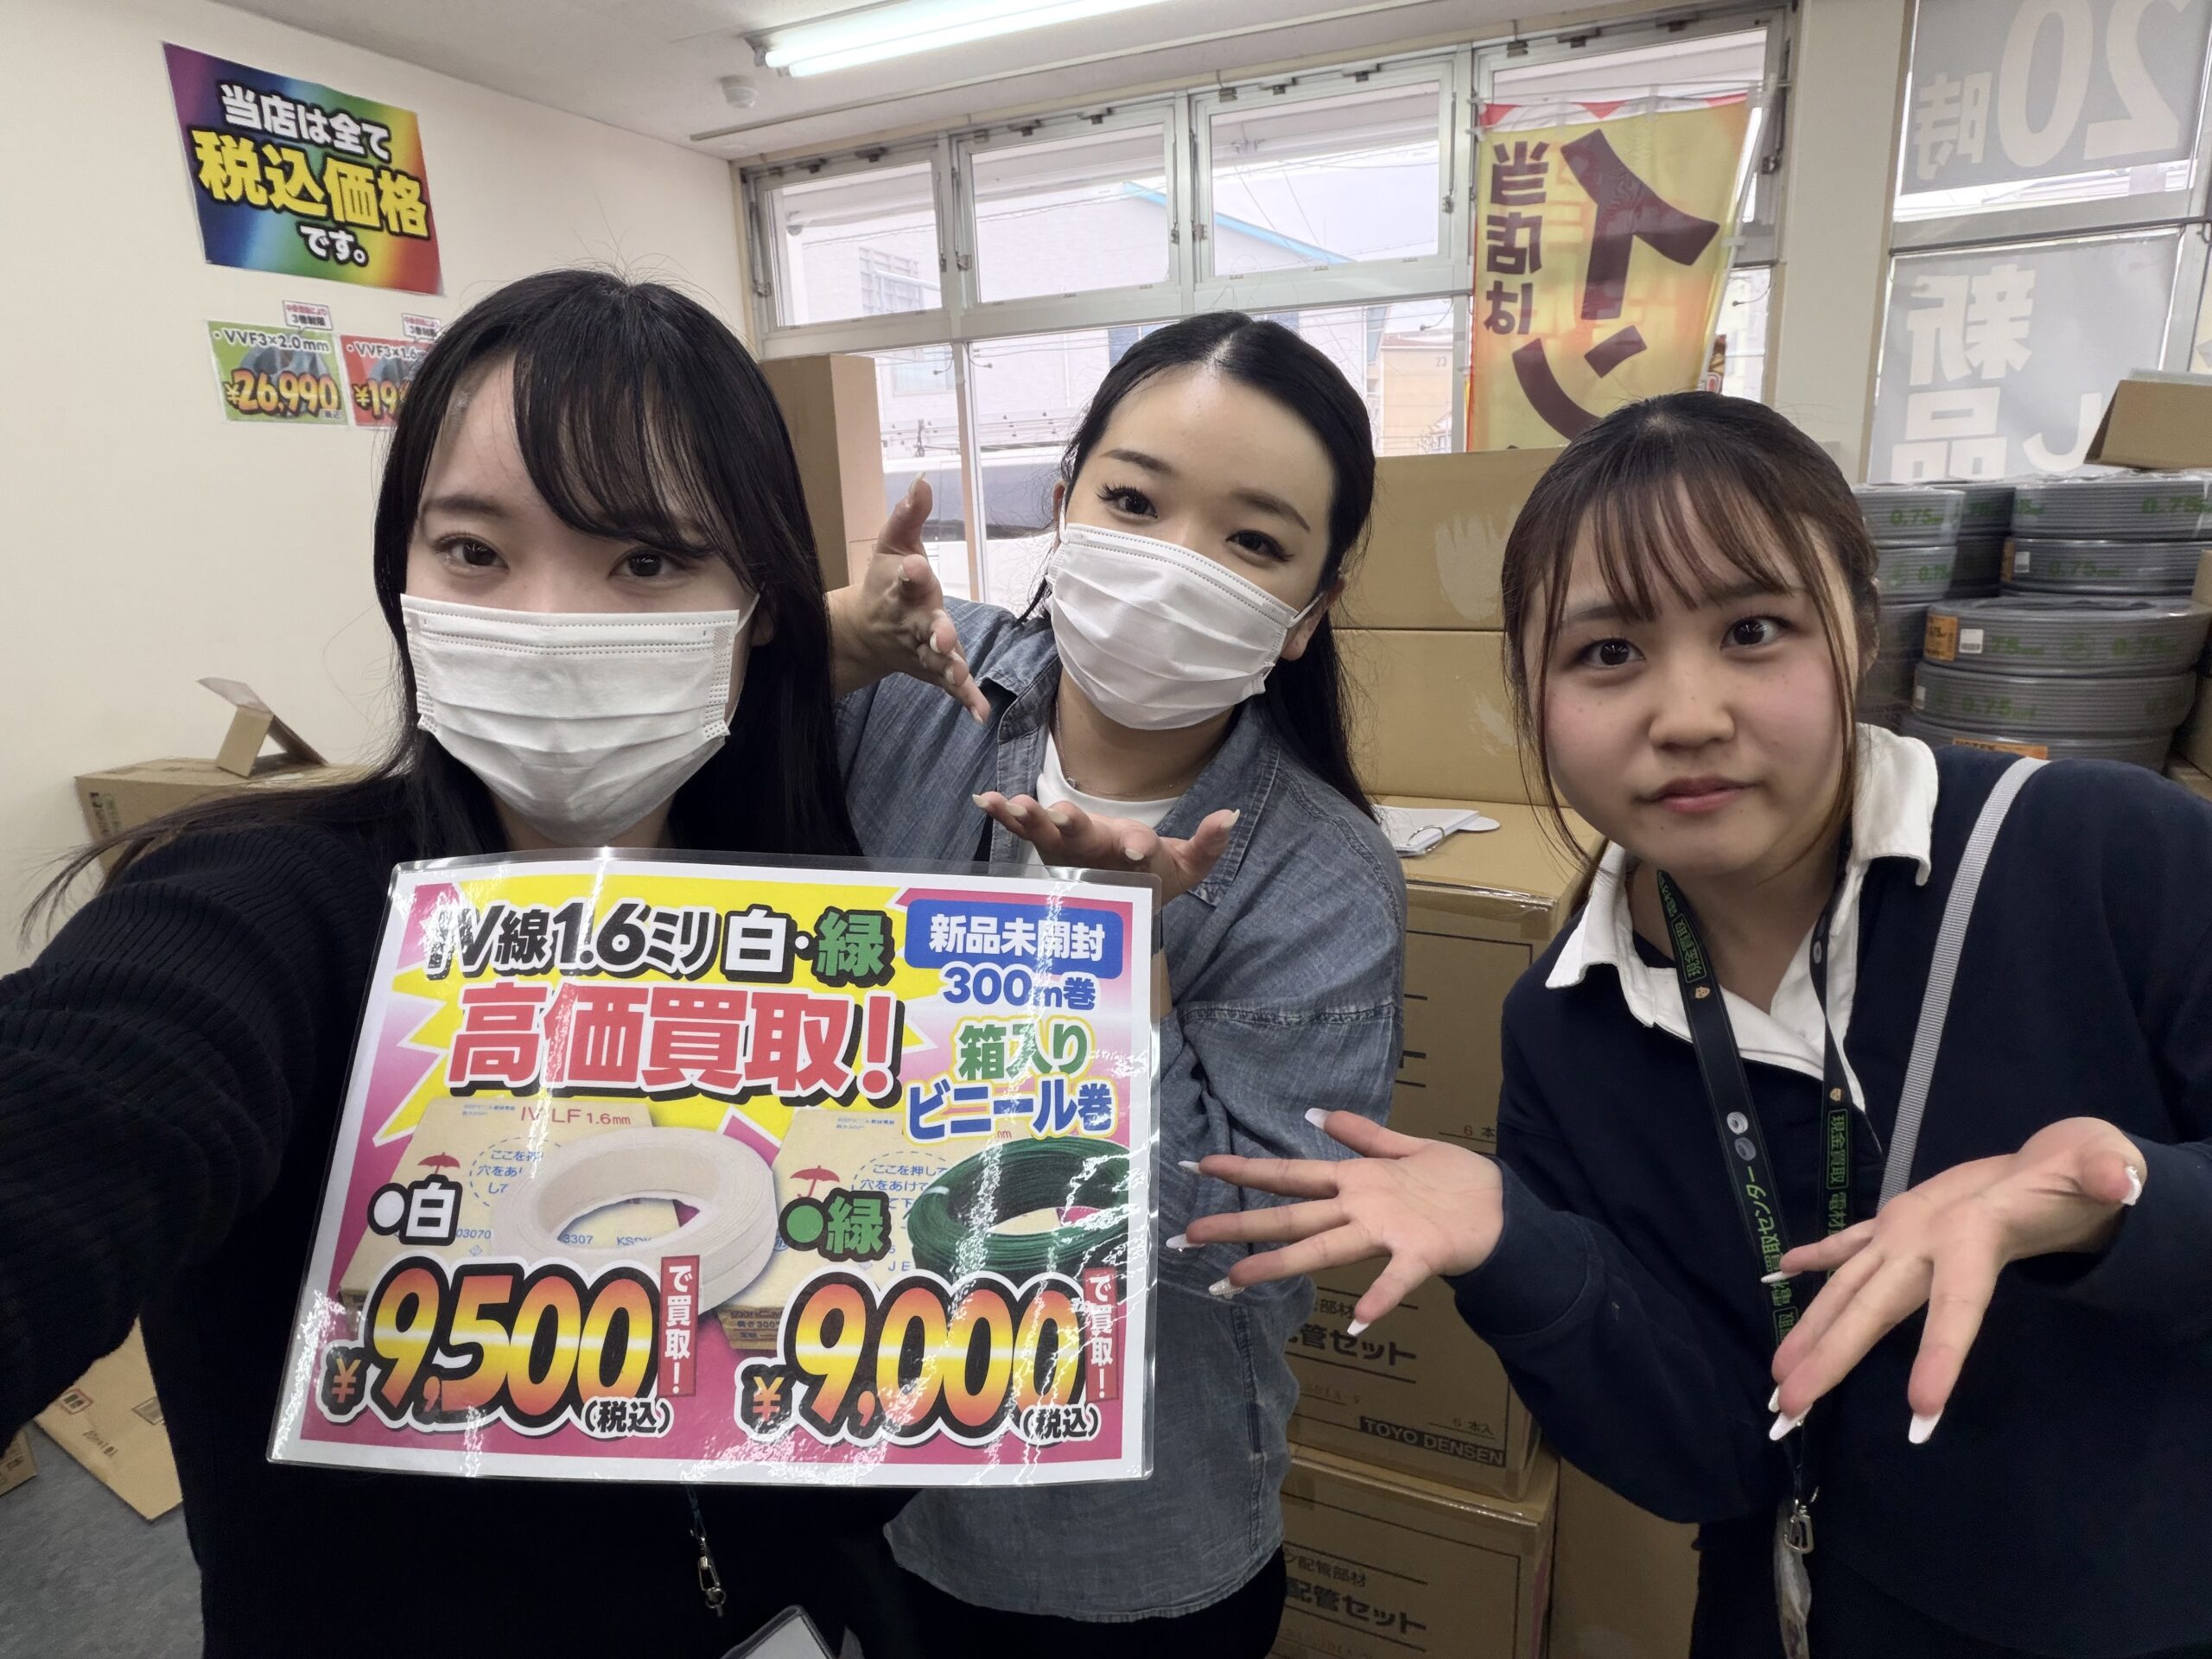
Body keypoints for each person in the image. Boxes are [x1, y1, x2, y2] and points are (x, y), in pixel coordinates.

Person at [1182, 393, 2212, 1659]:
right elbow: (1707, 1459)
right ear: (1531, 692)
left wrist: (2122, 1207)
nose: (1686, 714)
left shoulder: (2106, 857)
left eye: (1753, 631)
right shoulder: (1570, 1021)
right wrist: (1517, 1246)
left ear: (1858, 625)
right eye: (1607, 652)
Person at [0, 270, 901, 1656]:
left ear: (760, 604)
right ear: (406, 577)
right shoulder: (283, 907)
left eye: (647, 563)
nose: (552, 626)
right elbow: (100, 1088)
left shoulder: (813, 939)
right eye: (477, 552)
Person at [829, 312, 1407, 1654]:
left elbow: (1244, 1258)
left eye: (1251, 541)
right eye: (1136, 503)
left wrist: (1117, 960)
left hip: (1119, 1544)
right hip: (869, 1468)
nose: (1172, 565)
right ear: (1064, 503)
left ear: (1308, 614)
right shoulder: (912, 692)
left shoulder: (1323, 878)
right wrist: (833, 638)